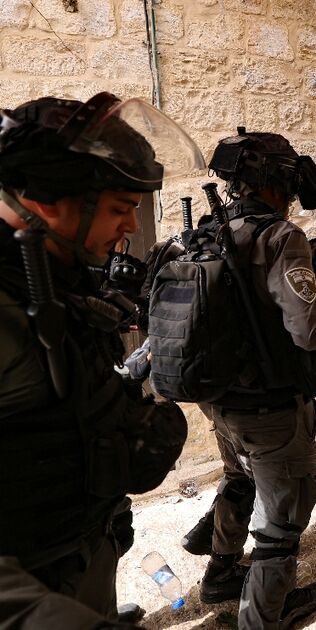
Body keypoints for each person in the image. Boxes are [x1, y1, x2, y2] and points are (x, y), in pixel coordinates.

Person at [0, 93, 199, 626]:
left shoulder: (51, 270)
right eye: (118, 208)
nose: (131, 227)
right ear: (45, 200)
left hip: (82, 549)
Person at [177, 130, 316, 629]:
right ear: (277, 182)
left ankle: (221, 573)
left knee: (237, 478)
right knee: (282, 525)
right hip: (268, 407)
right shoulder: (279, 237)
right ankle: (263, 619)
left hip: (219, 400)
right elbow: (309, 332)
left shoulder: (204, 230)